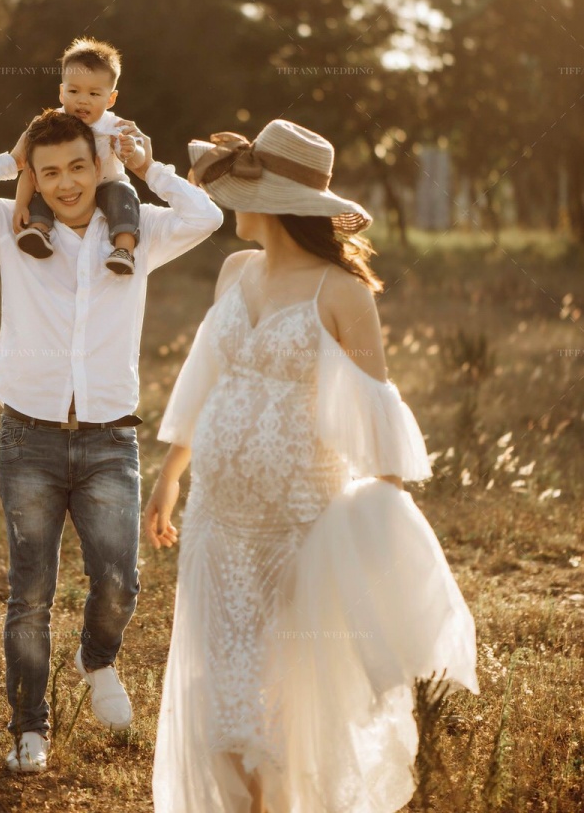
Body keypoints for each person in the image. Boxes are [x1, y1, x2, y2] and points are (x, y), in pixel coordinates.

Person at [144, 120, 479, 813]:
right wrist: (171, 474)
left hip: (296, 527)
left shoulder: (341, 291)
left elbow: (377, 422)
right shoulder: (234, 271)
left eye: (244, 195)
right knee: (221, 681)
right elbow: (205, 378)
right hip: (215, 518)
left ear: (274, 204)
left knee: (280, 691)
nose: (234, 207)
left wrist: (372, 541)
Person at [0, 109, 222, 774]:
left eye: (78, 168)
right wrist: (10, 163)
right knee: (29, 594)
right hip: (27, 438)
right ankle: (29, 729)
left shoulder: (136, 234)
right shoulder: (12, 228)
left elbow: (206, 216)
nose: (65, 184)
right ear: (35, 175)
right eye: (50, 171)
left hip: (109, 438)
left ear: (97, 165)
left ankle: (96, 658)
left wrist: (146, 167)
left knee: (119, 581)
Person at [12, 37, 145, 275]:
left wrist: (133, 150)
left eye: (94, 94)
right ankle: (39, 231)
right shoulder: (50, 125)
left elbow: (141, 157)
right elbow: (30, 171)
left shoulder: (115, 126)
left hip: (107, 186)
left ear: (111, 99)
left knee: (124, 195)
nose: (82, 100)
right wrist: (21, 204)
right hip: (67, 187)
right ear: (62, 92)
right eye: (74, 91)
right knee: (44, 185)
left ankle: (124, 249)